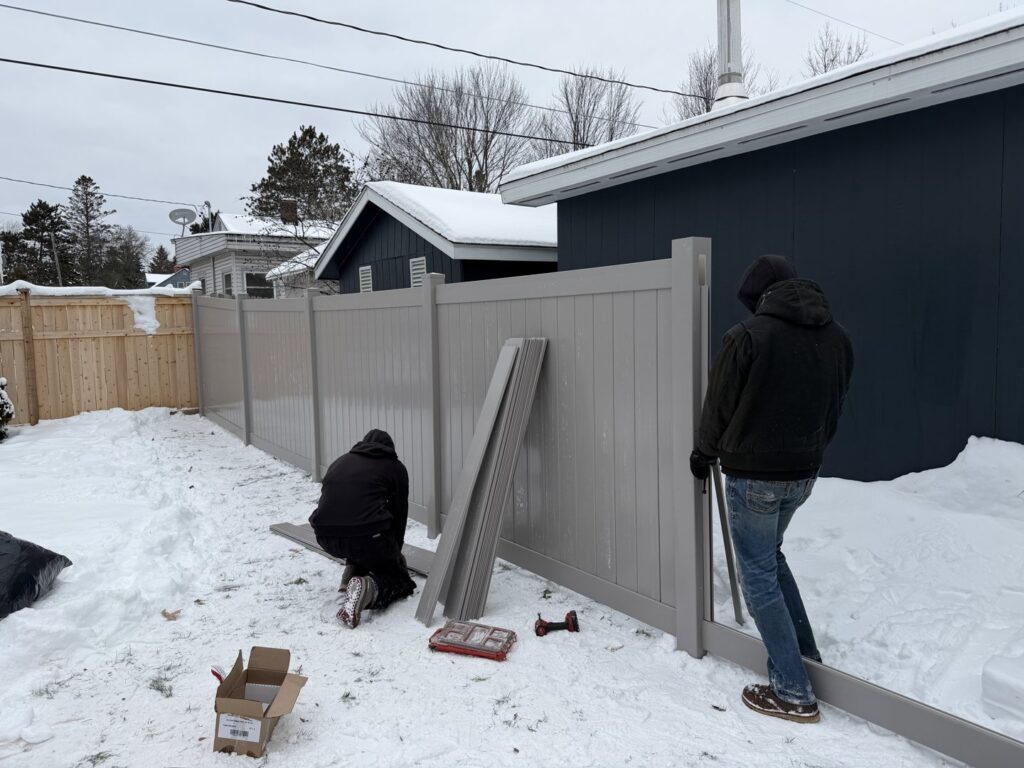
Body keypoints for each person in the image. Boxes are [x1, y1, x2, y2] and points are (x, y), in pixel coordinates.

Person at [690, 254, 853, 724]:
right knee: (771, 559)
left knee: (757, 574)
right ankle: (804, 656)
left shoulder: (747, 338)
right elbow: (835, 407)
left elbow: (718, 405)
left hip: (755, 477)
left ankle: (792, 689)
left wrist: (704, 453)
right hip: (804, 474)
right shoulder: (837, 337)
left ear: (760, 297)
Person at [309, 429, 416, 629]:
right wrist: (394, 556)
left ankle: (351, 575)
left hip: (325, 536)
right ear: (390, 450)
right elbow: (399, 514)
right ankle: (368, 589)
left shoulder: (340, 462)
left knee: (357, 530)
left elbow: (339, 505)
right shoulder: (395, 468)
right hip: (367, 538)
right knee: (400, 582)